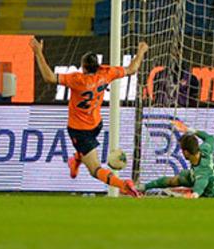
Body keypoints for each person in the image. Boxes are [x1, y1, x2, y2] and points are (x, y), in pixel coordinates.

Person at [30, 39, 148, 197]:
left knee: (95, 170)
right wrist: (140, 52)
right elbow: (132, 69)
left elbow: (49, 77)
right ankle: (76, 160)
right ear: (98, 66)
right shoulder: (106, 73)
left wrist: (38, 53)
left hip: (79, 131)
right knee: (84, 152)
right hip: (96, 124)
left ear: (84, 67)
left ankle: (124, 185)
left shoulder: (77, 80)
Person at [139, 121, 214, 198]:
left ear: (186, 152)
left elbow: (201, 185)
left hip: (211, 193)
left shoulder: (202, 170)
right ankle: (143, 188)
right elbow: (210, 138)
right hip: (197, 176)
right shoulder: (204, 149)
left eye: (182, 150)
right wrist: (190, 130)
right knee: (174, 180)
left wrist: (194, 195)